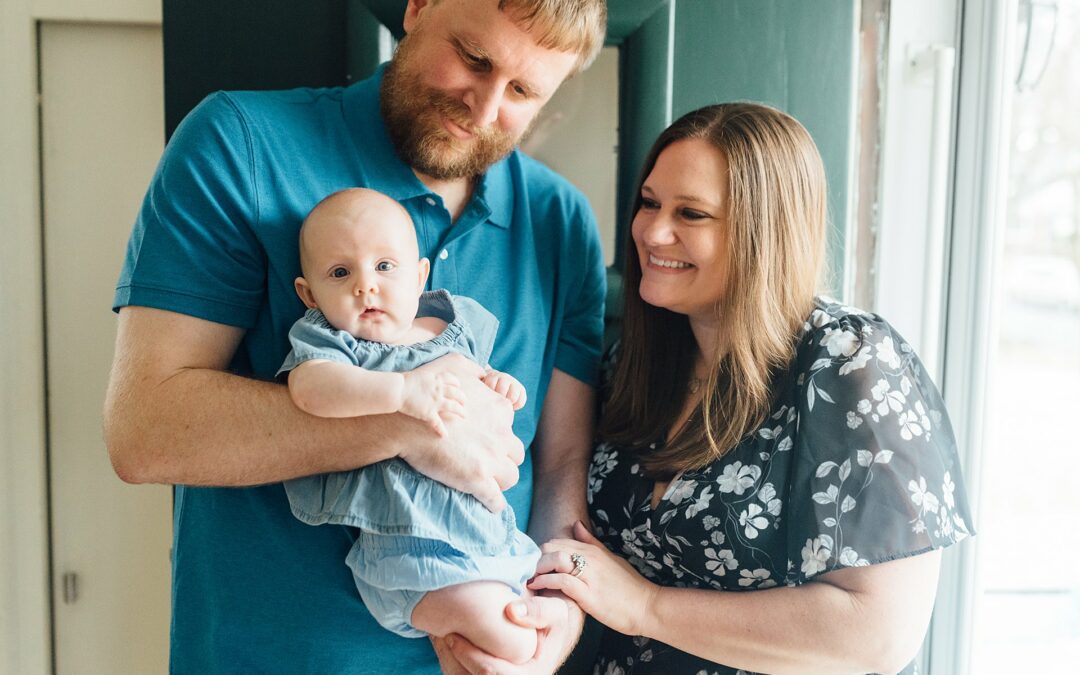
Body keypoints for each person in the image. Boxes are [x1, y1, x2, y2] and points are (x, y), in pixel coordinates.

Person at [102, 0, 609, 672]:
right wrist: (414, 419)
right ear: (420, 6)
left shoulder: (561, 222)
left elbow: (561, 465)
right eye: (472, 58)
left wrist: (558, 623)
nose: (482, 110)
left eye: (520, 91)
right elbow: (144, 429)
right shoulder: (241, 145)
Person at [527, 103, 975, 674]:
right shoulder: (636, 362)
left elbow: (879, 634)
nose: (652, 232)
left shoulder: (850, 362)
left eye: (691, 213)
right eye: (649, 203)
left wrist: (648, 606)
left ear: (764, 232)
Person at [279, 187, 539, 663]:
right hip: (410, 554)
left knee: (511, 639)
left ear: (420, 276)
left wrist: (498, 383)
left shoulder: (454, 326)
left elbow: (478, 378)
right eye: (341, 273)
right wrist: (401, 393)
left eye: (384, 267)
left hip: (489, 539)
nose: (365, 286)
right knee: (516, 642)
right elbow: (310, 389)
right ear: (309, 294)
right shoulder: (336, 344)